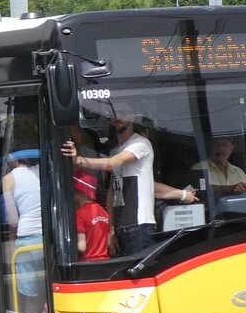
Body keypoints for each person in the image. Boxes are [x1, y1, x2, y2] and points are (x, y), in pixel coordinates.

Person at [62, 101, 197, 256]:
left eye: (123, 113)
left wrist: (78, 160)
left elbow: (111, 164)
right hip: (121, 227)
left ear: (133, 117)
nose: (117, 117)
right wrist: (111, 229)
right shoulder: (116, 151)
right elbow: (116, 193)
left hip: (139, 226)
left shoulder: (140, 144)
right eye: (114, 114)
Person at [2, 153, 45, 313]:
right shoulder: (40, 170)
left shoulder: (8, 179)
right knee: (42, 296)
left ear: (12, 158)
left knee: (29, 300)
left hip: (26, 242)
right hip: (45, 240)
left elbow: (13, 220)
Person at [73, 170, 110, 261]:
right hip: (105, 261)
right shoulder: (103, 211)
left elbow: (81, 246)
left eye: (74, 190)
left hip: (89, 263)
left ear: (80, 192)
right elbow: (108, 242)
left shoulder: (79, 214)